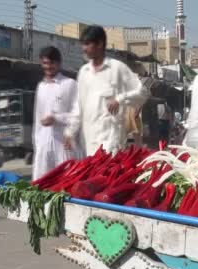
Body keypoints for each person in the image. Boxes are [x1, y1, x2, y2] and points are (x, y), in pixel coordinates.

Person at [65, 25, 149, 156]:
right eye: (83, 44)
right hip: (89, 145)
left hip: (111, 145)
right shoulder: (84, 73)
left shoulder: (117, 69)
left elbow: (143, 92)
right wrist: (70, 132)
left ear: (99, 44)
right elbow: (78, 106)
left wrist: (120, 99)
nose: (84, 49)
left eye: (87, 44)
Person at [32, 46, 78, 180]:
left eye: (51, 63)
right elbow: (37, 118)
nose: (48, 66)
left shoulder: (70, 84)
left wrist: (56, 118)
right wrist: (38, 145)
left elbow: (79, 115)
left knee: (66, 183)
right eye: (45, 63)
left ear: (59, 63)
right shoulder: (41, 87)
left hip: (63, 144)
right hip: (44, 145)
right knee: (42, 183)